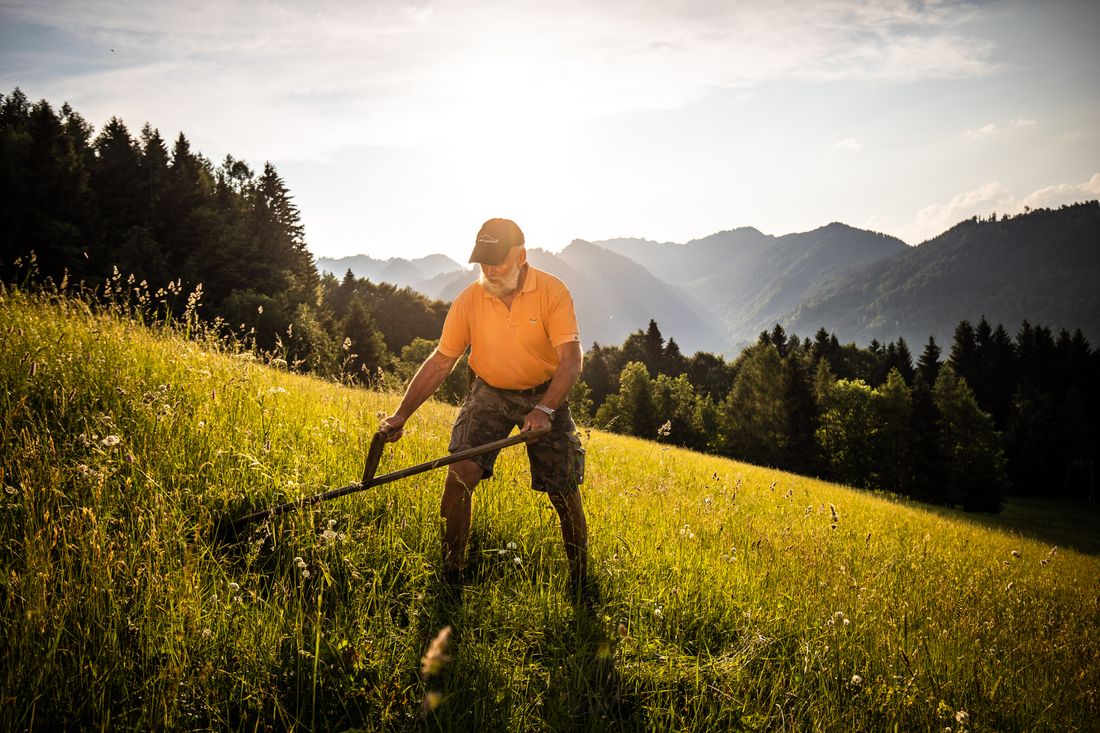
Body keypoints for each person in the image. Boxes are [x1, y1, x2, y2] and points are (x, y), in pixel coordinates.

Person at [380, 217, 590, 597]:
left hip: (545, 394)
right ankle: (451, 574)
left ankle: (580, 582)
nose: (490, 270)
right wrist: (401, 414)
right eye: (483, 262)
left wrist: (544, 409)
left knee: (563, 489)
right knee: (459, 473)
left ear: (521, 255)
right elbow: (441, 361)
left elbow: (571, 360)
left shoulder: (552, 291)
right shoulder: (470, 300)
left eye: (498, 261)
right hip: (489, 391)